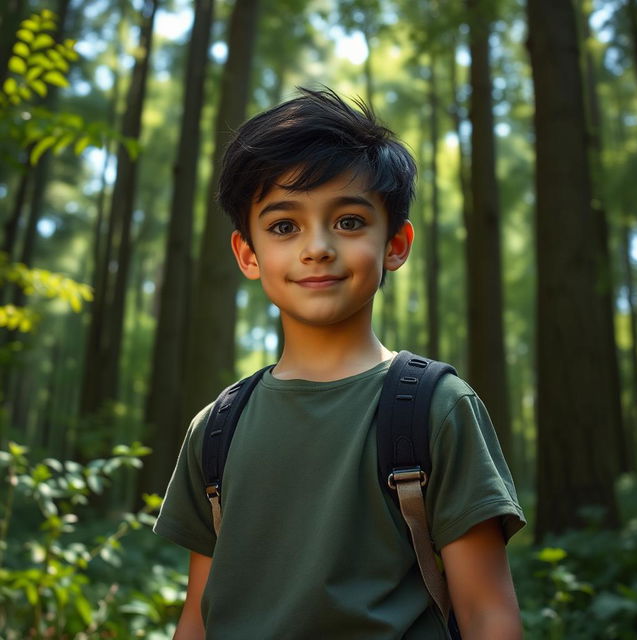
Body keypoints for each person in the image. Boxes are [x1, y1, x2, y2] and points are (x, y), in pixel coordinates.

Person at [153, 87, 526, 639]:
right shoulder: (215, 429)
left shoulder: (438, 409)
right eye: (284, 226)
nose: (317, 247)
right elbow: (198, 616)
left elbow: (488, 614)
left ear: (395, 244)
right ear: (248, 255)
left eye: (349, 221)